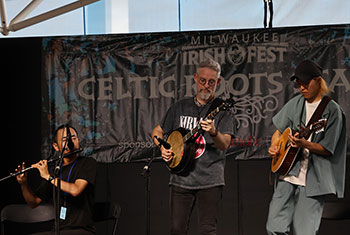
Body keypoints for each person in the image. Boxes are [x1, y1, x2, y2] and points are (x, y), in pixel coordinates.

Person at [152, 58, 235, 235]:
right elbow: (157, 131)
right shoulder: (179, 107)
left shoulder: (223, 110)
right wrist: (162, 147)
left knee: (207, 230)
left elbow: (225, 144)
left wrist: (214, 132)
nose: (206, 85)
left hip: (210, 180)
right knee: (177, 229)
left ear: (218, 82)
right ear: (196, 79)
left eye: (211, 82)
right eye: (203, 80)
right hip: (181, 179)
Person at [266, 59, 347, 235]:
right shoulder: (296, 103)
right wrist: (274, 146)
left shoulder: (333, 111)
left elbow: (328, 148)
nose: (302, 88)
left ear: (318, 81)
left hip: (314, 180)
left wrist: (305, 144)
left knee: (304, 232)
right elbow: (278, 132)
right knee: (274, 228)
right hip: (288, 174)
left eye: (305, 83)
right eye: (299, 84)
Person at [15, 125, 97, 235]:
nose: (70, 142)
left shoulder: (87, 163)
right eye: (65, 140)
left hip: (82, 230)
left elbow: (76, 190)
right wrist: (23, 184)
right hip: (58, 230)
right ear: (56, 146)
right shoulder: (55, 170)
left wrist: (48, 177)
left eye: (73, 138)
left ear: (78, 141)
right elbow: (33, 203)